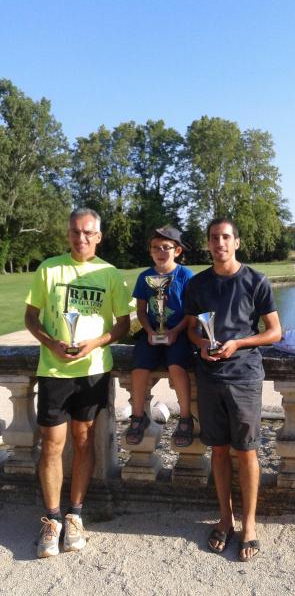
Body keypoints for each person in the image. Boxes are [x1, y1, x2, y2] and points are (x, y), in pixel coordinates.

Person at [25, 208, 131, 558]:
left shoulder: (109, 273)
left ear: (98, 237)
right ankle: (52, 519)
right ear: (67, 233)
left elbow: (122, 325)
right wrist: (50, 341)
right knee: (52, 445)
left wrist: (95, 343)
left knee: (83, 442)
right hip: (54, 371)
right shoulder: (49, 268)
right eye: (75, 232)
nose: (81, 238)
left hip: (93, 370)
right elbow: (31, 316)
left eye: (88, 233)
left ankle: (75, 514)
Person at [185, 218, 281, 562]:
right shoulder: (197, 285)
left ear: (236, 242)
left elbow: (274, 332)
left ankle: (250, 525)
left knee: (248, 452)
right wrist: (201, 345)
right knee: (220, 452)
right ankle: (225, 520)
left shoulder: (256, 280)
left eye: (226, 237)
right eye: (214, 238)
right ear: (208, 244)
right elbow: (193, 331)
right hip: (209, 377)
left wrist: (238, 342)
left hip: (243, 376)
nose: (220, 243)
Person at [126, 226, 194, 447]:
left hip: (180, 333)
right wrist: (149, 331)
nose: (161, 251)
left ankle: (185, 418)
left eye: (167, 247)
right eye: (156, 247)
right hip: (153, 333)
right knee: (138, 368)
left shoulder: (185, 275)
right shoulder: (145, 276)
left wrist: (174, 331)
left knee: (176, 367)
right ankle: (138, 416)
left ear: (177, 250)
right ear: (150, 251)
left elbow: (191, 312)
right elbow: (141, 311)